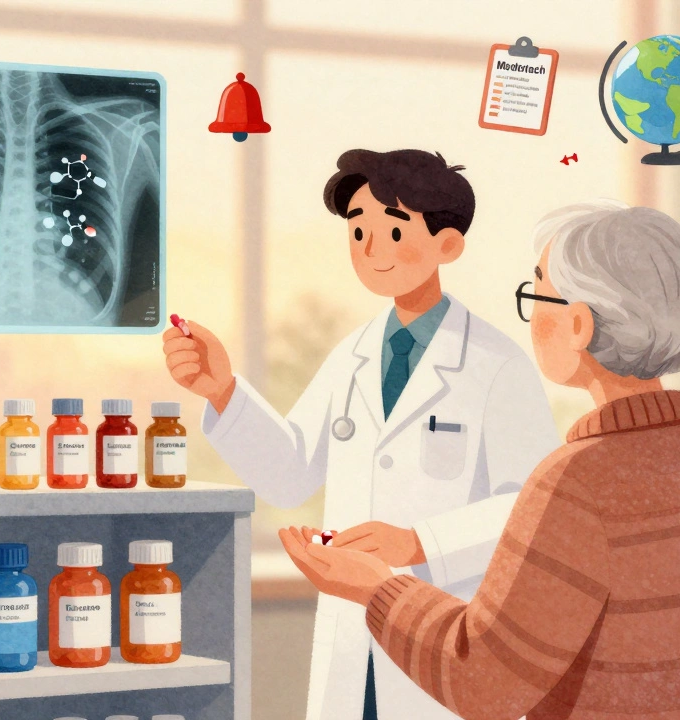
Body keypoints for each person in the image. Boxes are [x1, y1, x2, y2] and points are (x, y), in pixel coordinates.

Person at [280, 200, 680, 720]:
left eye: (537, 291)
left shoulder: (577, 480)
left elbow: (484, 680)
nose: (532, 314)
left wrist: (375, 587)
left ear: (579, 325)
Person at [161, 148, 558, 720]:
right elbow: (291, 473)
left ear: (448, 246)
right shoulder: (352, 355)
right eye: (358, 229)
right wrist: (221, 390)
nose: (371, 249)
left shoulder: (497, 364)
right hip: (354, 640)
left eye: (394, 231)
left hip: (447, 633)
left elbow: (532, 510)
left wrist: (417, 542)